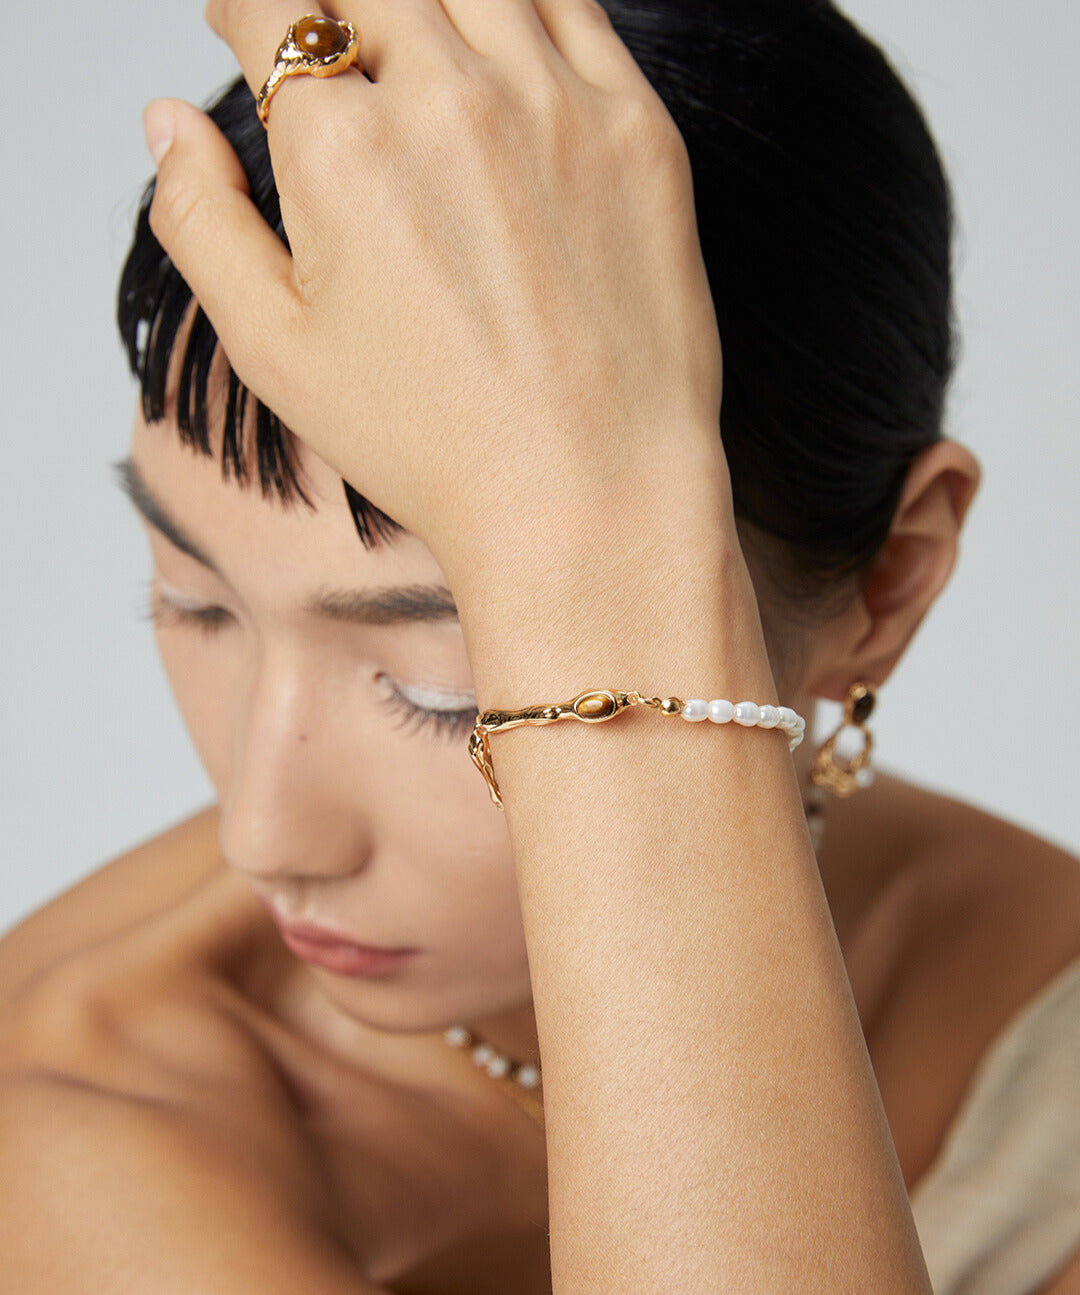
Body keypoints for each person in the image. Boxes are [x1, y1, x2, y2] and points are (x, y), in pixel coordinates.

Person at [2, 0, 1078, 1290]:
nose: (268, 837)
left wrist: (594, 559)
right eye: (195, 602)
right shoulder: (90, 1134)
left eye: (443, 689)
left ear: (889, 583)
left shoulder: (1045, 1007)